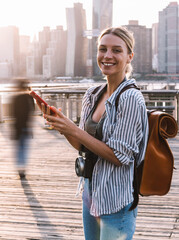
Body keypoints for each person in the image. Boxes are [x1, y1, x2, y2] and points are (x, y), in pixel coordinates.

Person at [37, 26, 149, 240]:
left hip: (117, 199)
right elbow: (83, 146)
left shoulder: (130, 99)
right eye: (102, 49)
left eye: (116, 50)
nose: (107, 56)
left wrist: (74, 129)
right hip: (91, 191)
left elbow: (120, 156)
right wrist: (63, 127)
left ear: (129, 57)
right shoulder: (93, 94)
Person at [12, 78, 35, 178]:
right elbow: (32, 111)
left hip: (18, 127)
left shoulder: (15, 98)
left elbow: (13, 113)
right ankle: (23, 169)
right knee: (24, 149)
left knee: (19, 149)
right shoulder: (28, 97)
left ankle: (20, 168)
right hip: (26, 126)